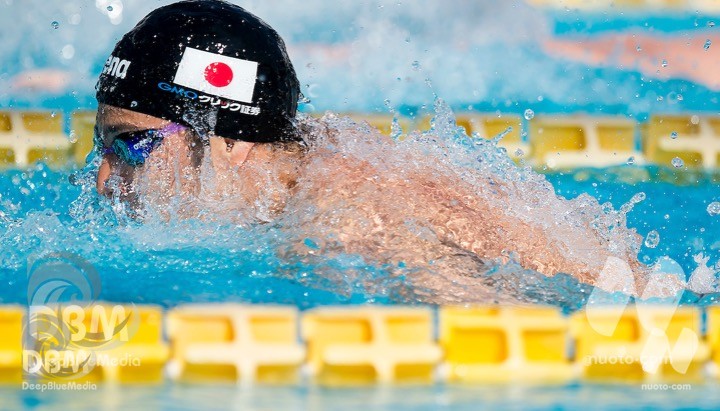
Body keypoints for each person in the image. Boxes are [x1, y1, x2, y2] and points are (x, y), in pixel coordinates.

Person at [94, 0, 682, 302]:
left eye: (132, 146)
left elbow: (521, 342)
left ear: (231, 145)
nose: (102, 179)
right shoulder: (317, 156)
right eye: (100, 148)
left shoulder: (337, 228)